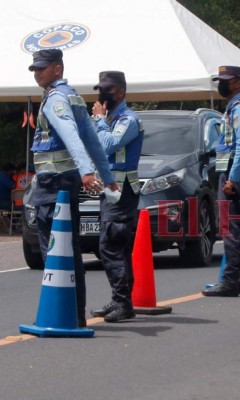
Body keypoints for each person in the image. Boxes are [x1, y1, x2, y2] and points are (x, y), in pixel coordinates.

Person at [28, 49, 118, 327]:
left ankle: (60, 313)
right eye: (34, 69)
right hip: (65, 183)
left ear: (57, 69)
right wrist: (106, 174)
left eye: (42, 68)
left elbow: (70, 134)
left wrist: (88, 171)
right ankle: (75, 314)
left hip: (53, 184)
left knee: (53, 249)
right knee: (70, 248)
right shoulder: (74, 96)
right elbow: (91, 138)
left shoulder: (56, 99)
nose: (36, 73)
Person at [89, 71, 144, 322]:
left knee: (110, 245)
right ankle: (120, 300)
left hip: (122, 191)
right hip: (110, 190)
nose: (102, 94)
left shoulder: (128, 119)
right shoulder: (109, 118)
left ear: (120, 92)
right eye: (100, 90)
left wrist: (99, 121)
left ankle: (123, 302)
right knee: (115, 246)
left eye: (106, 90)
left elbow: (109, 145)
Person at [202, 66, 240, 297]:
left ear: (237, 82)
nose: (220, 84)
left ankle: (230, 281)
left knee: (231, 228)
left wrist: (232, 179)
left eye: (225, 81)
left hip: (236, 174)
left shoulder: (238, 109)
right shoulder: (239, 107)